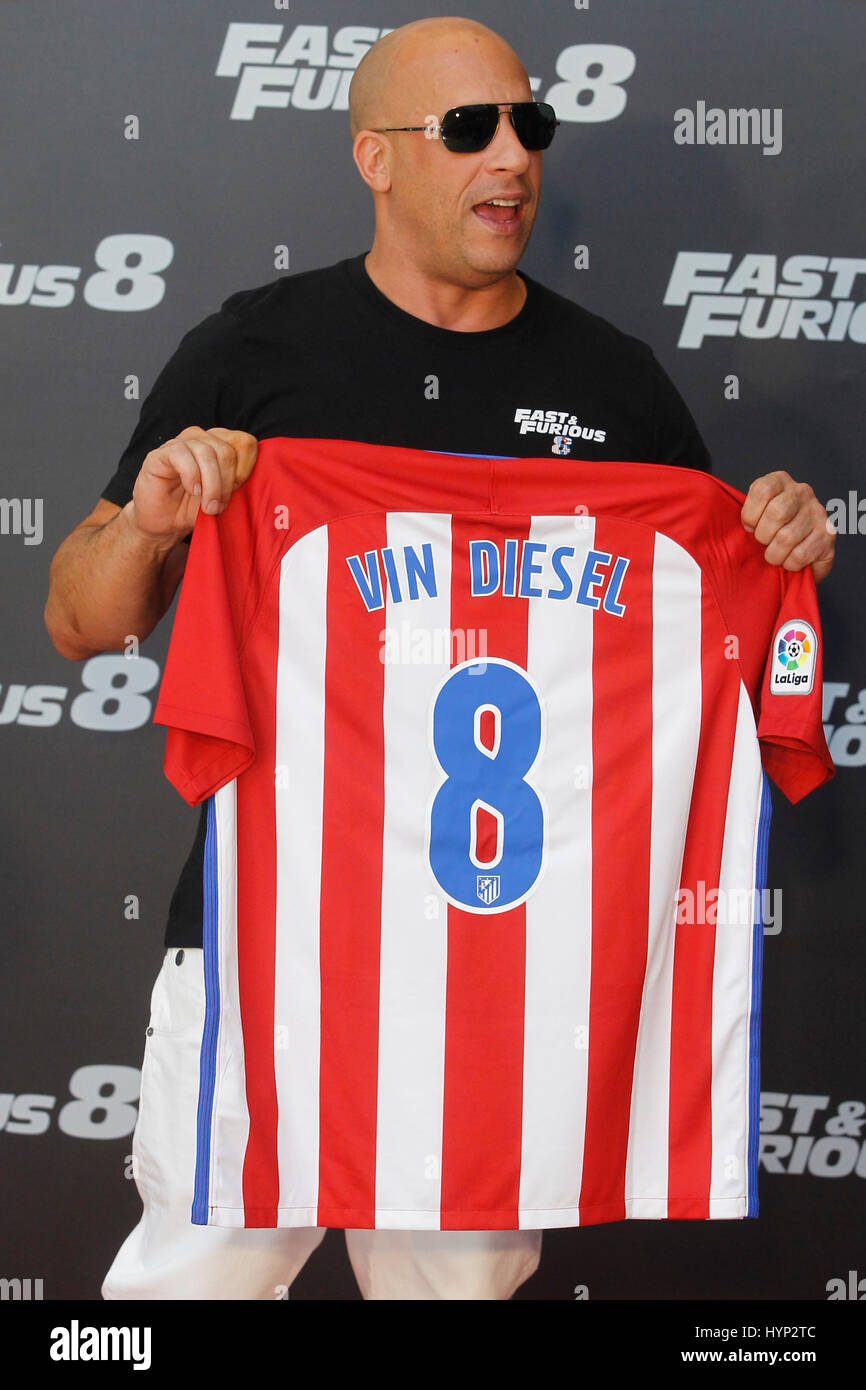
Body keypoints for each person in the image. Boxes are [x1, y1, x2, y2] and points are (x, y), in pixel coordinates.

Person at [44, 16, 835, 1301]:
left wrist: (777, 546)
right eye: (468, 128)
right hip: (273, 943)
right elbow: (80, 621)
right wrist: (151, 519)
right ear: (375, 157)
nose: (511, 154)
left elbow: (709, 654)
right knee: (171, 1299)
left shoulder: (614, 386)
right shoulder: (258, 352)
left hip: (501, 974)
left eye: (530, 124)